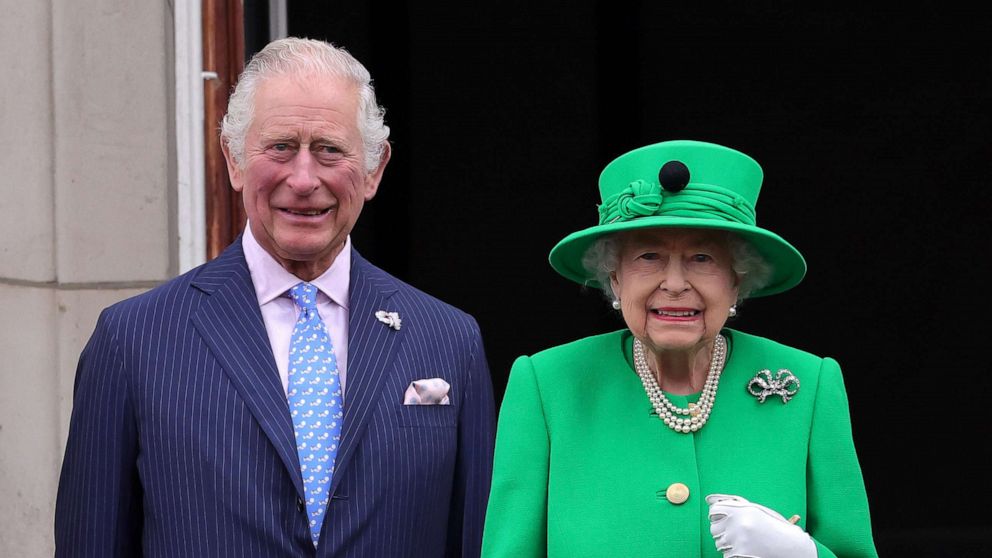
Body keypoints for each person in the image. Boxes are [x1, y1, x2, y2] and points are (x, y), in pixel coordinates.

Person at [55, 37, 496, 557]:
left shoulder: (448, 338)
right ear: (235, 160)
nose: (304, 179)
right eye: (281, 147)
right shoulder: (133, 340)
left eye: (330, 149)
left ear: (374, 170)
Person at [481, 140, 878, 557]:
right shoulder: (548, 385)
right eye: (649, 256)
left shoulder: (809, 385)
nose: (674, 283)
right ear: (615, 279)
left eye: (702, 258)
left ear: (737, 281)